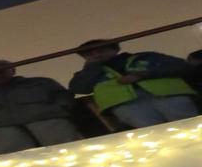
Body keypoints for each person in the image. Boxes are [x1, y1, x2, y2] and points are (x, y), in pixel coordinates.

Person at [68, 38, 197, 130]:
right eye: (89, 53)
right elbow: (79, 88)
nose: (96, 54)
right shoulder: (88, 73)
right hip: (127, 106)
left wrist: (144, 75)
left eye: (100, 50)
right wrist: (91, 68)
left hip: (168, 95)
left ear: (114, 49)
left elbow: (182, 66)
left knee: (190, 127)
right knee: (156, 135)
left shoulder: (147, 57)